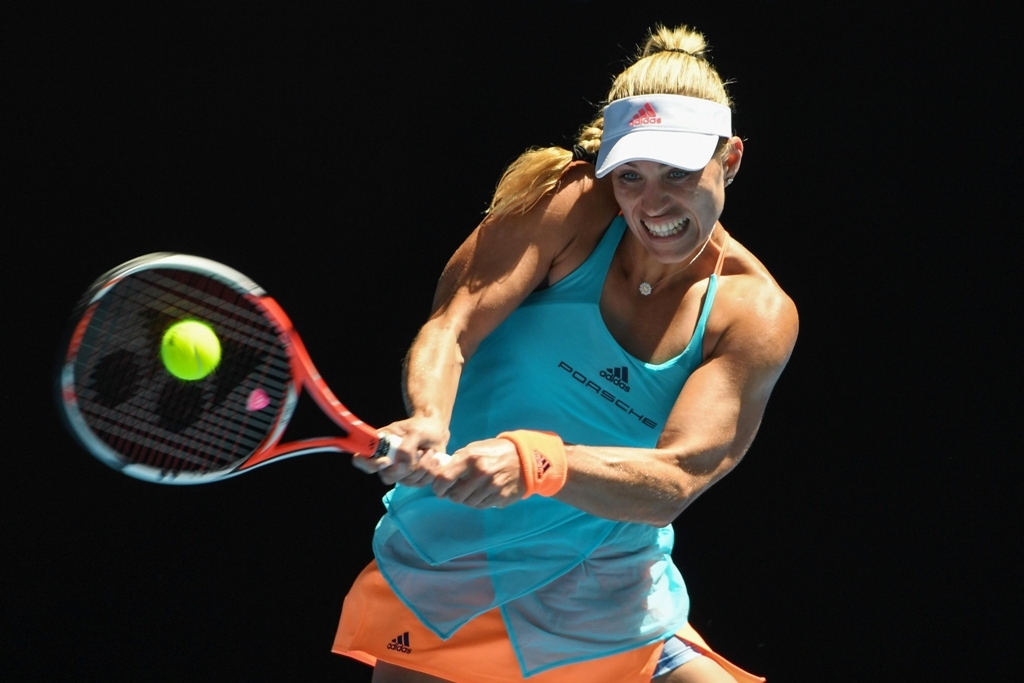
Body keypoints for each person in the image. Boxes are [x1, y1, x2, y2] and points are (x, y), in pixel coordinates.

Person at [333, 23, 798, 683]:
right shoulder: (571, 207)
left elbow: (677, 477)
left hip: (609, 594)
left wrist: (535, 461)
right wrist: (429, 417)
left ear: (731, 160)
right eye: (631, 175)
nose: (653, 201)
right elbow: (452, 324)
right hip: (456, 578)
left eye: (679, 172)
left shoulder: (754, 313)